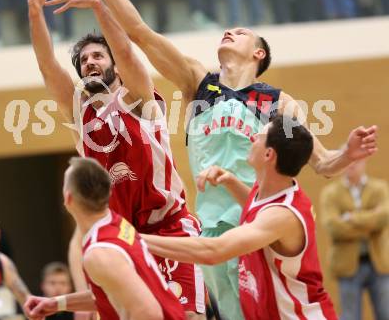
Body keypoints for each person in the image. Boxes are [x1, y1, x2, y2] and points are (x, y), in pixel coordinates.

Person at [83, 0, 377, 320]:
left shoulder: (277, 102)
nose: (229, 31)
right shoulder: (197, 82)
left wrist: (347, 153)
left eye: (240, 32)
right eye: (228, 29)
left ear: (258, 52)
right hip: (205, 227)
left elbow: (321, 164)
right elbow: (140, 33)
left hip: (255, 225)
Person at [28, 0, 205, 318]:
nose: (89, 63)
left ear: (115, 68)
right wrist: (35, 14)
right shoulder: (80, 115)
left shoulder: (138, 98)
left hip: (168, 227)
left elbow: (126, 49)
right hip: (122, 234)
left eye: (97, 56)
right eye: (83, 61)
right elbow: (48, 67)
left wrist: (97, 4)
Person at [143, 116, 337, 320]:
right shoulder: (273, 191)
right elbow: (256, 209)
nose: (252, 137)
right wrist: (230, 181)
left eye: (259, 137)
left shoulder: (282, 215)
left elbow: (214, 251)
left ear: (268, 154)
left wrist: (135, 239)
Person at [24, 157, 185, 320]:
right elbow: (108, 294)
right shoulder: (116, 224)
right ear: (108, 192)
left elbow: (149, 314)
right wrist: (56, 303)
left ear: (68, 198)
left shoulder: (99, 252)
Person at [320, 159, 389, 320]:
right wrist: (370, 222)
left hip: (379, 263)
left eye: (355, 161)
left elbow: (384, 217)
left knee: (386, 313)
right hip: (347, 265)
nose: (351, 165)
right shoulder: (330, 193)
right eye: (347, 160)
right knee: (350, 316)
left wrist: (350, 218)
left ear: (364, 162)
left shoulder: (379, 188)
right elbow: (333, 227)